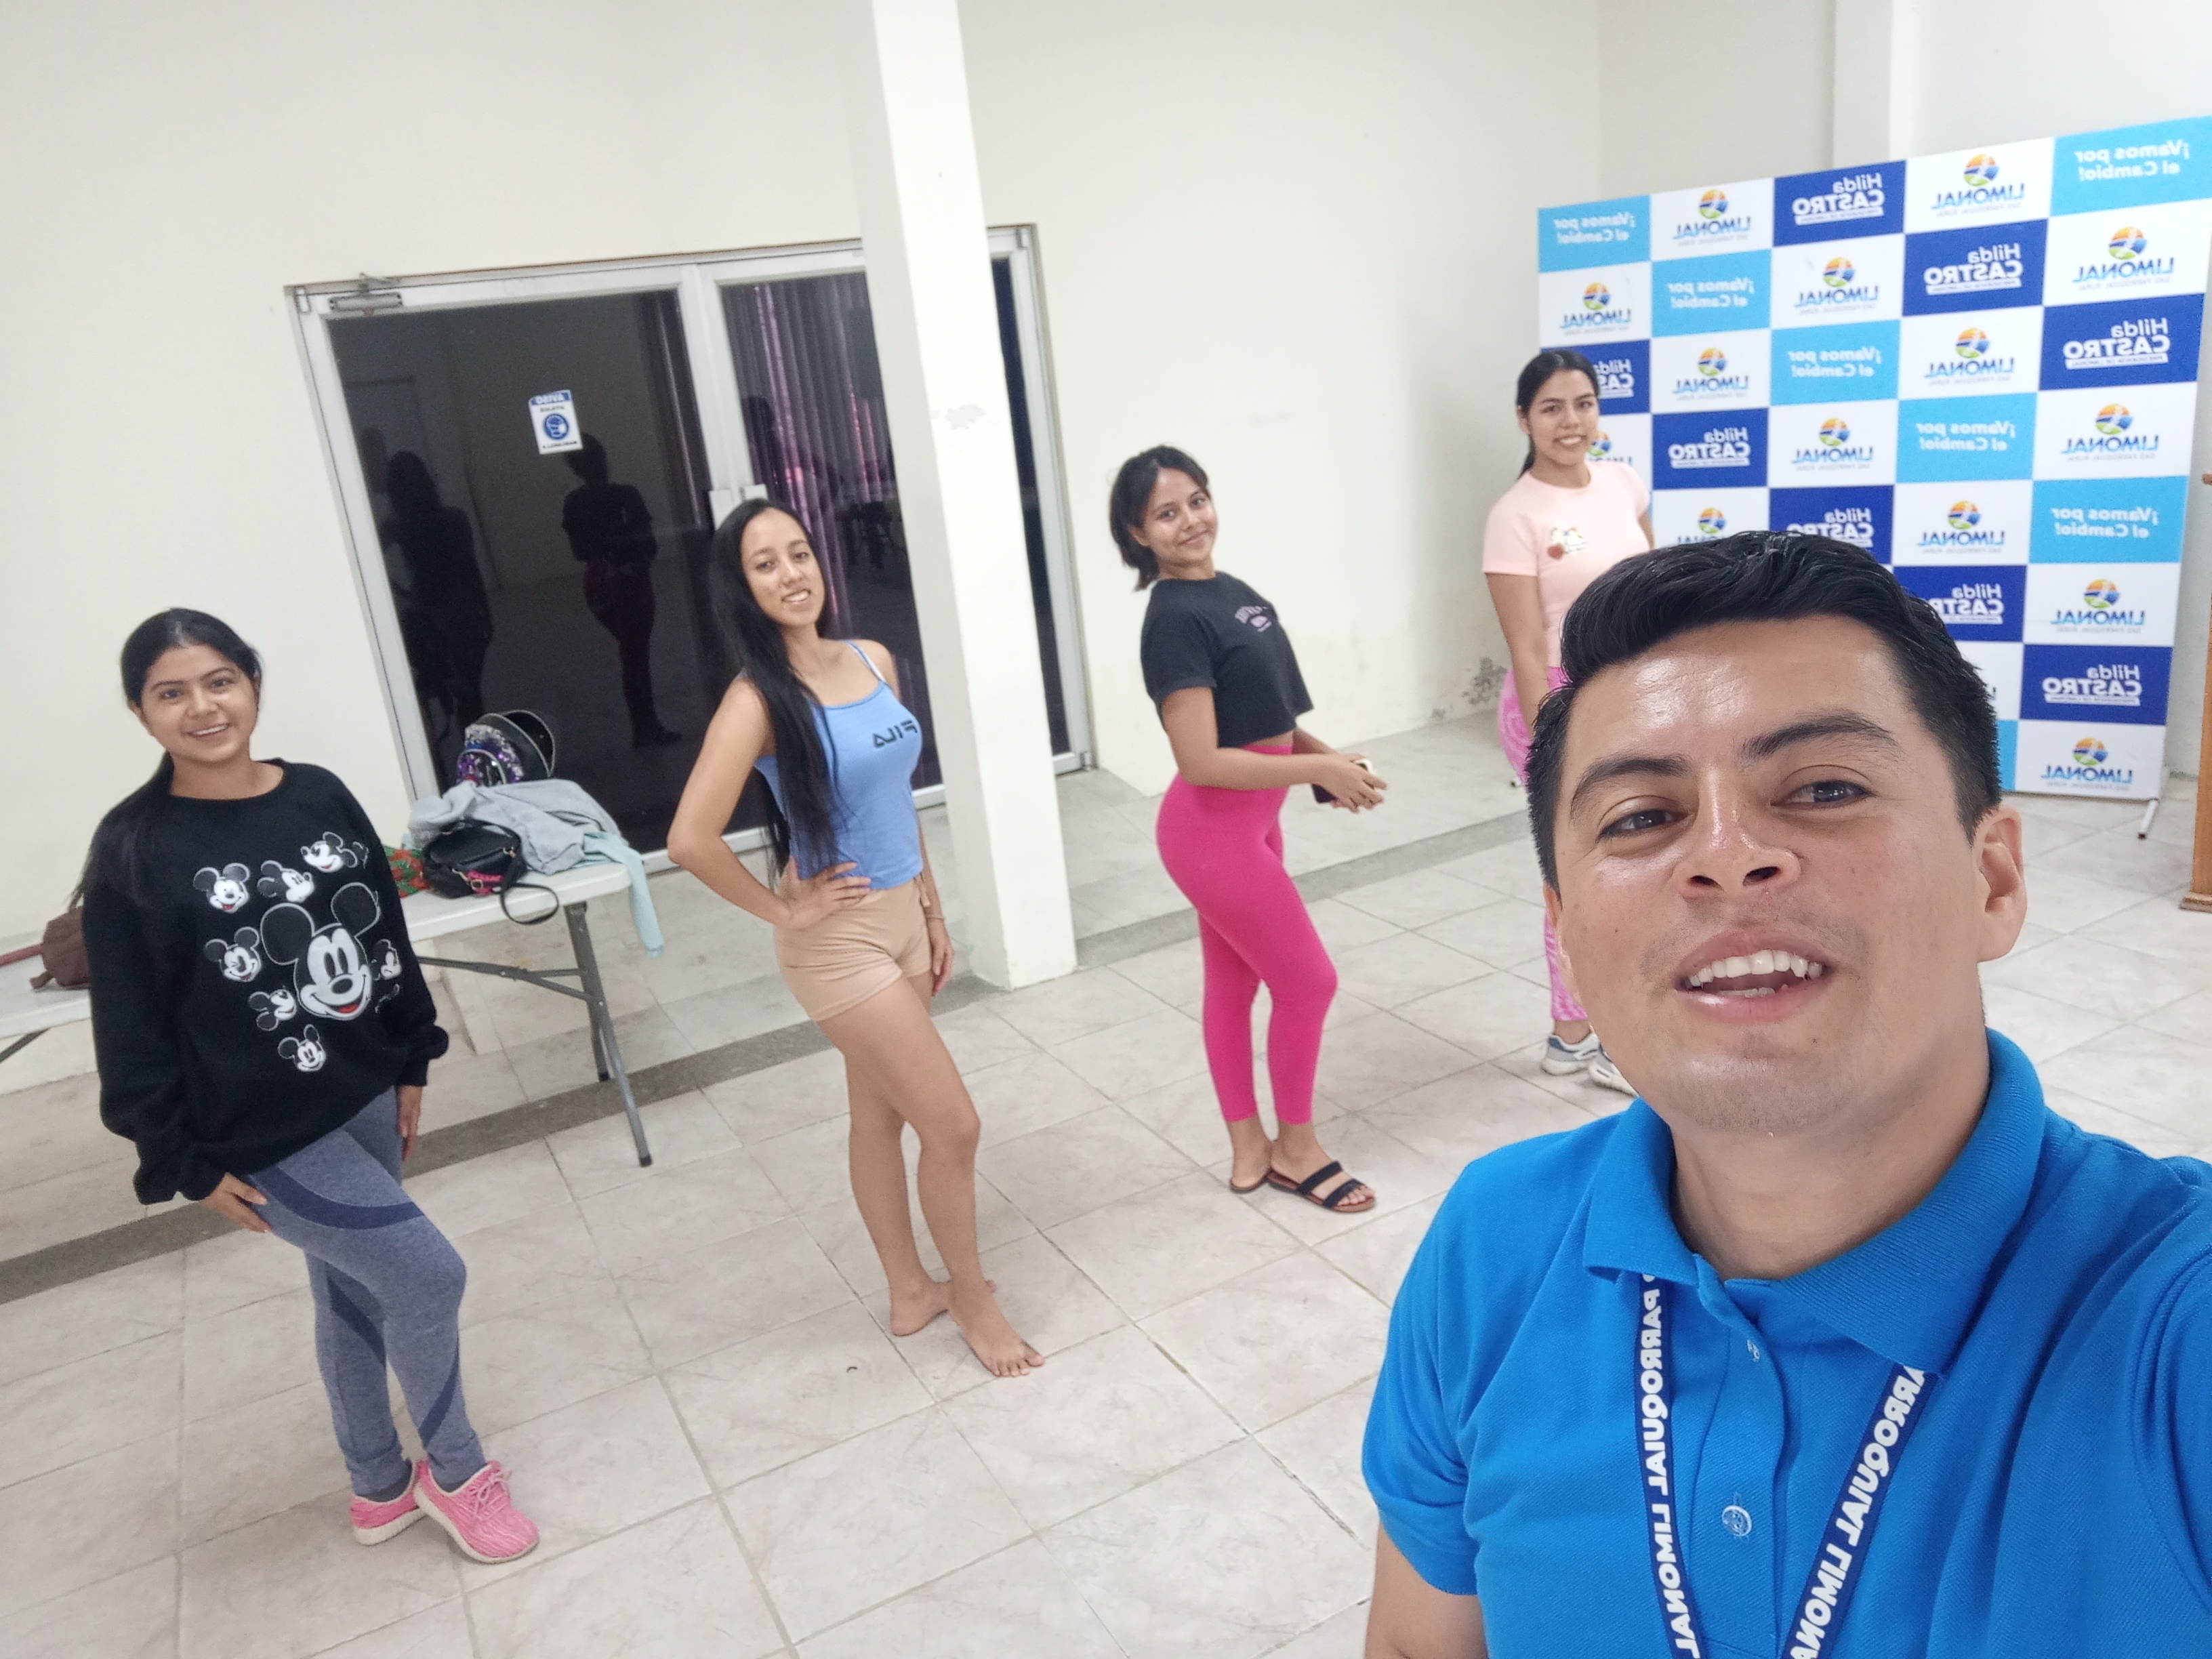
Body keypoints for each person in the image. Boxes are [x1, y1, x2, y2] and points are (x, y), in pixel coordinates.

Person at [1361, 534, 2212, 1658]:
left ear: (1993, 877)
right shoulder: (1494, 1244)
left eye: (1822, 788)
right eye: (1639, 817)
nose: (1725, 856)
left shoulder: (2171, 1331)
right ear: (1563, 933)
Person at [80, 609, 538, 1565]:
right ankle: (457, 1474)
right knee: (427, 1273)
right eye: (172, 692)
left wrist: (411, 1057)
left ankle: (378, 1487)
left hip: (365, 1091)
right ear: (139, 711)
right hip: (263, 1134)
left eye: (219, 680)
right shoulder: (132, 848)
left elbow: (382, 941)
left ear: (252, 682)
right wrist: (178, 1159)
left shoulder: (319, 794)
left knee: (354, 1291)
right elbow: (129, 1027)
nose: (203, 707)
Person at [665, 500, 1043, 1378]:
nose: (791, 574)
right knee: (954, 1127)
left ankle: (911, 1292)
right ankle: (973, 1300)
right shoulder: (758, 700)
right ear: (742, 589)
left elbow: (893, 800)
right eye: (765, 564)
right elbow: (689, 839)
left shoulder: (873, 660)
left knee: (878, 1115)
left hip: (904, 916)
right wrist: (786, 912)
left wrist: (934, 912)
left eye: (799, 553)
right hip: (838, 946)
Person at [1112, 445, 1385, 1214]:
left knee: (1233, 986)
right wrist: (1317, 771)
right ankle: (1296, 1149)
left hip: (1251, 828)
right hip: (1211, 836)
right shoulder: (1173, 619)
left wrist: (1330, 764)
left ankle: (1248, 1149)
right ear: (1138, 534)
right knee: (1309, 982)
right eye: (1167, 513)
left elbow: (1273, 724)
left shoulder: (1237, 596)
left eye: (1197, 500)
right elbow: (1200, 760)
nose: (1190, 521)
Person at [1481, 348, 1654, 1094]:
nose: (1570, 421)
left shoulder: (1623, 483)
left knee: (1622, 866)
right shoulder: (1514, 516)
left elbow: (1650, 589)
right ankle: (1604, 1037)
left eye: (1583, 403)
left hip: (1626, 697)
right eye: (1551, 407)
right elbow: (1525, 645)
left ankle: (1573, 1035)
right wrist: (1551, 737)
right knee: (1585, 874)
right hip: (1553, 704)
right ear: (1524, 419)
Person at [562, 433, 681, 748]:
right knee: (635, 655)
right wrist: (628, 553)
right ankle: (645, 727)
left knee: (632, 653)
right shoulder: (626, 496)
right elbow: (648, 545)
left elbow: (579, 551)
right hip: (628, 581)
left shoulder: (574, 503)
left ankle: (645, 726)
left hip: (599, 582)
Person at [381, 451, 494, 731]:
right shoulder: (454, 518)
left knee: (429, 695)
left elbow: (372, 562)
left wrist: (402, 593)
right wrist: (484, 612)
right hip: (461, 610)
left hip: (426, 610)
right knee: (471, 697)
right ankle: (476, 749)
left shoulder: (397, 526)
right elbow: (471, 570)